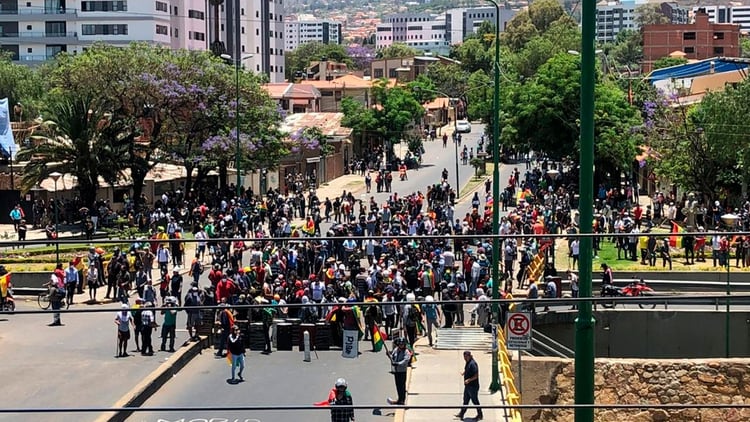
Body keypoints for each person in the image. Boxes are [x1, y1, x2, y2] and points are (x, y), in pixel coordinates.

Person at [454, 350, 483, 421]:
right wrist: (464, 373)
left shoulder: (473, 364)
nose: (465, 358)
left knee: (475, 401)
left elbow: (476, 375)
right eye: (464, 357)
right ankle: (461, 414)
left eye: (466, 357)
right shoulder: (468, 362)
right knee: (465, 400)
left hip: (473, 386)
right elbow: (467, 369)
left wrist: (468, 380)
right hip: (467, 386)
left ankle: (480, 415)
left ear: (469, 356)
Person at [387, 337, 412, 405]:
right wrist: (389, 356)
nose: (401, 345)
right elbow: (393, 357)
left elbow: (406, 361)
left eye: (402, 344)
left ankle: (402, 400)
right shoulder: (396, 350)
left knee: (402, 386)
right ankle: (399, 399)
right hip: (396, 371)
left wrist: (398, 363)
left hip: (402, 371)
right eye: (400, 344)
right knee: (398, 385)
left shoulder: (406, 352)